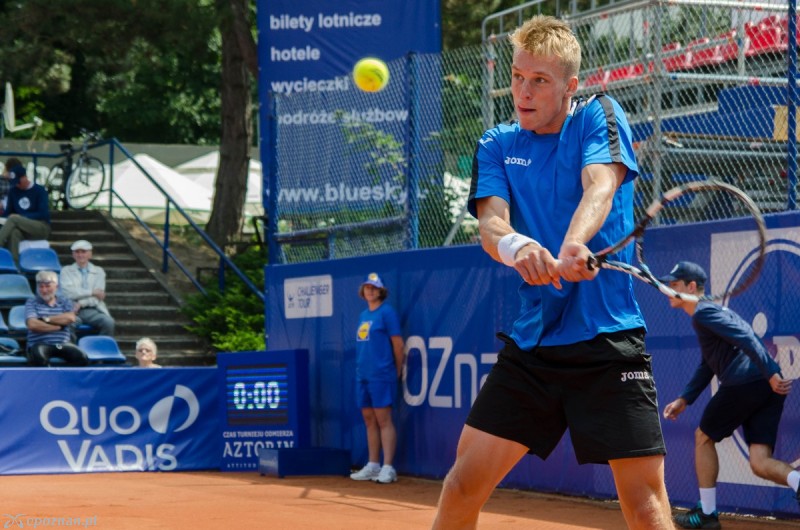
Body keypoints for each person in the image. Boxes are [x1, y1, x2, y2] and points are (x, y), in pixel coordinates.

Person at [432, 15, 675, 530]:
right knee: (460, 486)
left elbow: (601, 186)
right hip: (534, 347)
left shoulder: (598, 116)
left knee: (645, 505)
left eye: (539, 80)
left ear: (570, 86)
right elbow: (491, 223)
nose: (523, 91)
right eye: (518, 76)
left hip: (608, 344)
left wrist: (572, 243)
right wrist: (520, 247)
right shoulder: (497, 142)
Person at [660, 261, 799, 529]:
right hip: (762, 385)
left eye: (674, 285)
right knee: (760, 463)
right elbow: (707, 364)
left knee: (703, 438)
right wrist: (685, 399)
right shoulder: (707, 314)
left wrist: (770, 372)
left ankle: (708, 515)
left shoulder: (703, 313)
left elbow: (746, 335)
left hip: (747, 382)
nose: (668, 290)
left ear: (691, 287)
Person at [349, 272, 404, 485]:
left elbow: (398, 345)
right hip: (362, 375)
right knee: (369, 420)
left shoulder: (387, 313)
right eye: (367, 287)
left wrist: (397, 370)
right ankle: (373, 465)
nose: (370, 290)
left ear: (381, 291)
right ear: (363, 291)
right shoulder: (364, 315)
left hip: (382, 375)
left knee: (383, 420)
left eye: (374, 287)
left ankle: (388, 467)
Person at [25, 270, 88, 367]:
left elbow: (70, 318)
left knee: (82, 357)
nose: (44, 290)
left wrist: (45, 319)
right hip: (40, 344)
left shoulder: (65, 301)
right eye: (41, 287)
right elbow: (32, 324)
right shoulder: (32, 302)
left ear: (56, 287)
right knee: (38, 357)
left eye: (47, 286)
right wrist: (57, 327)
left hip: (61, 345)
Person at [59, 239, 115, 337]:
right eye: (77, 252)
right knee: (68, 324)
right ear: (73, 254)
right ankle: (70, 350)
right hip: (70, 308)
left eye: (83, 252)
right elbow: (68, 293)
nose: (80, 255)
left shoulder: (99, 271)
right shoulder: (66, 271)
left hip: (92, 310)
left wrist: (80, 303)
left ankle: (101, 350)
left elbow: (98, 297)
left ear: (90, 254)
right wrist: (92, 292)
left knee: (108, 322)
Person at [0, 160, 51, 261]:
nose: (17, 185)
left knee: (14, 219)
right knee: (14, 233)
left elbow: (43, 214)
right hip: (20, 227)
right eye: (14, 183)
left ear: (24, 177)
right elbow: (7, 213)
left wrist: (21, 218)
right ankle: (14, 266)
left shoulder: (39, 190)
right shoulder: (13, 191)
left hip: (41, 227)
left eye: (18, 182)